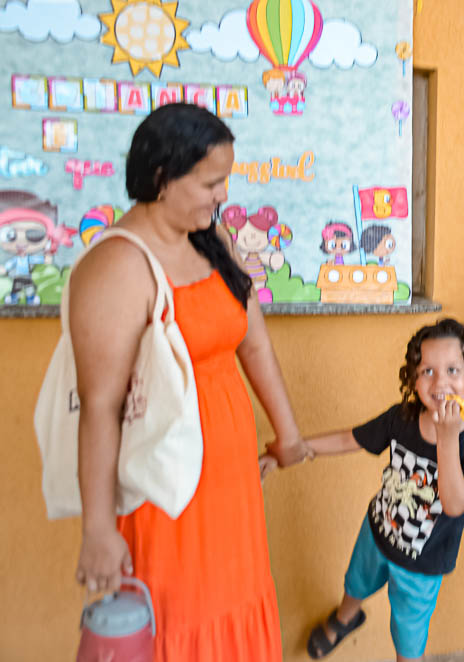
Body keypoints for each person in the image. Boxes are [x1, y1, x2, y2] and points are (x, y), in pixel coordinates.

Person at [71, 103, 312, 660]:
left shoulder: (210, 240)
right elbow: (100, 407)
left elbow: (253, 343)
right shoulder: (116, 266)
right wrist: (100, 529)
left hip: (230, 482)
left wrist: (288, 435)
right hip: (166, 489)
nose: (222, 195)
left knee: (235, 600)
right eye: (211, 182)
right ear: (162, 178)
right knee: (179, 617)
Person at [296, 318, 464, 662]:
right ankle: (346, 618)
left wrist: (447, 439)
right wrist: (297, 448)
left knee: (408, 642)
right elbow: (350, 438)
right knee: (355, 584)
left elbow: (454, 503)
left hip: (421, 567)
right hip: (376, 531)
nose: (441, 382)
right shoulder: (402, 417)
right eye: (427, 371)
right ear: (414, 378)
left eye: (452, 370)